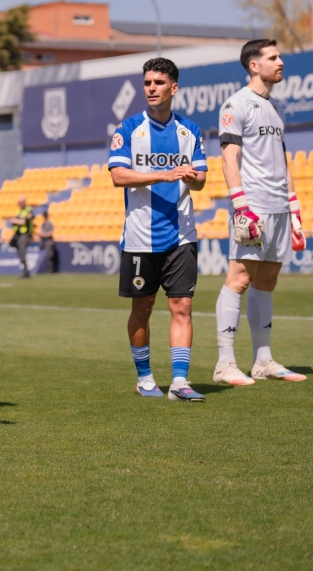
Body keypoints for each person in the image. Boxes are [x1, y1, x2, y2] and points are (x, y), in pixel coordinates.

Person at [108, 57, 208, 402]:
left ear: (173, 88)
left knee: (182, 307)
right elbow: (118, 176)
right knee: (142, 309)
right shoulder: (129, 129)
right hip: (140, 238)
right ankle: (145, 376)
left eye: (159, 83)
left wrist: (193, 178)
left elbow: (201, 182)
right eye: (148, 83)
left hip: (182, 235)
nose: (151, 88)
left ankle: (180, 382)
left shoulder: (190, 131)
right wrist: (162, 175)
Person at [212, 38, 308, 387]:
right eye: (273, 57)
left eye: (279, 56)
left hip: (279, 205)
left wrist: (294, 207)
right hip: (252, 206)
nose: (280, 62)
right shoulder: (236, 104)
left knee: (267, 281)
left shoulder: (276, 107)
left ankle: (263, 361)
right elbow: (229, 158)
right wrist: (241, 206)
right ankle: (224, 364)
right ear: (254, 65)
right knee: (239, 279)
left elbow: (283, 160)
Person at [8, 196, 35, 278]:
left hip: (24, 234)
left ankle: (26, 272)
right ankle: (25, 271)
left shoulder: (28, 210)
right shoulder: (19, 211)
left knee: (22, 252)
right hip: (17, 234)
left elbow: (25, 221)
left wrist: (15, 221)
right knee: (20, 253)